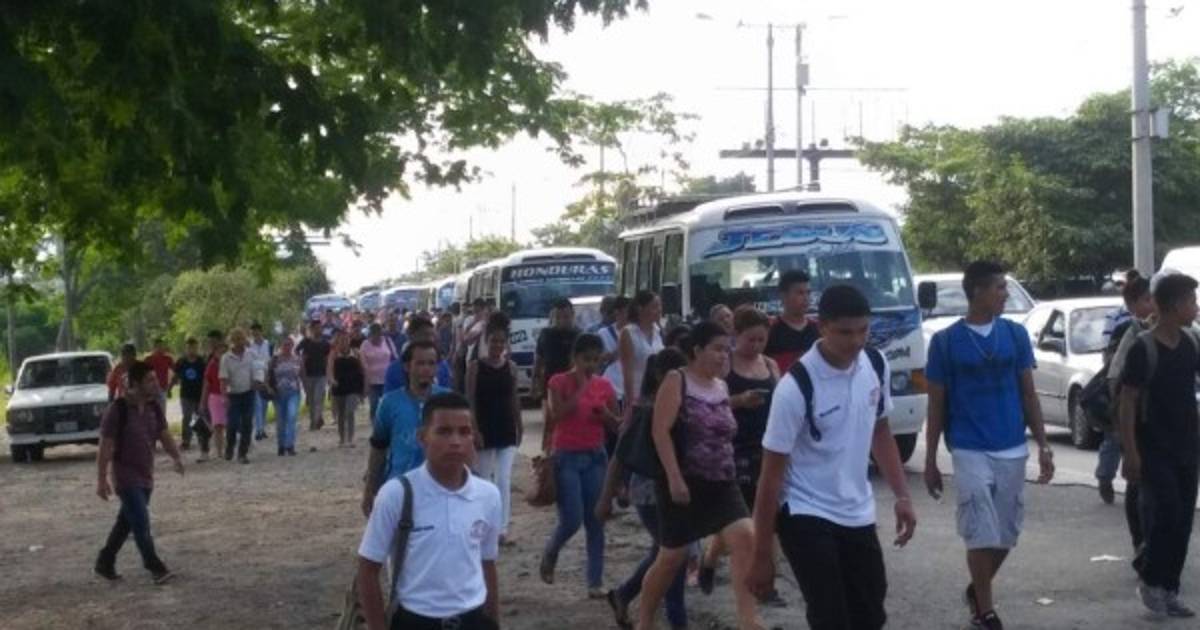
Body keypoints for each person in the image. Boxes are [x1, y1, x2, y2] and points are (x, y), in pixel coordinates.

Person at [747, 285, 918, 630]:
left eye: (863, 330)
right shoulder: (795, 387)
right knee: (831, 616)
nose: (856, 341)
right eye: (845, 332)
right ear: (822, 327)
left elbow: (880, 431)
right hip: (805, 510)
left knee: (870, 613)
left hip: (856, 510)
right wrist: (761, 555)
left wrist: (902, 496)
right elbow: (770, 476)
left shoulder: (875, 364)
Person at [924, 261, 1054, 630]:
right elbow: (936, 403)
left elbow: (1028, 393)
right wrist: (931, 460)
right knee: (979, 529)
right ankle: (985, 610)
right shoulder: (945, 342)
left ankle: (976, 589)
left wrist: (1044, 445)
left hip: (1012, 444)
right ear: (977, 292)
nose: (1005, 294)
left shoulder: (1014, 334)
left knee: (1006, 533)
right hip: (968, 447)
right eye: (999, 287)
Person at [636, 321, 760, 630]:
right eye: (717, 349)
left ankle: (749, 620)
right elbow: (660, 431)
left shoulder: (721, 386)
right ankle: (644, 620)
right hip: (684, 483)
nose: (723, 356)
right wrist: (674, 478)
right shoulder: (676, 380)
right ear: (696, 350)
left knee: (746, 536)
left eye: (727, 349)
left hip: (723, 482)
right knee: (671, 558)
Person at [356, 392, 501, 630]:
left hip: (473, 620)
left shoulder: (488, 495)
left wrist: (493, 621)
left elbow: (487, 564)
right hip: (415, 620)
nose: (455, 441)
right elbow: (368, 569)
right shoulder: (397, 495)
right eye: (444, 431)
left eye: (464, 432)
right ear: (422, 437)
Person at [1118, 272, 1200, 619]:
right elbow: (1127, 402)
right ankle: (1150, 578)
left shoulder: (1191, 343)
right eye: (1192, 301)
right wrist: (1131, 452)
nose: (1196, 307)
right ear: (1176, 305)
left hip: (1188, 447)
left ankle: (1169, 589)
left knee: (1183, 521)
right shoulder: (1144, 348)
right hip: (1154, 448)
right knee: (1166, 512)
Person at [598, 348, 690, 630]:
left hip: (676, 490)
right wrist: (606, 497)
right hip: (650, 492)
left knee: (665, 552)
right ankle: (677, 620)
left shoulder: (685, 403)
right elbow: (620, 456)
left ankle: (624, 594)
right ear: (662, 375)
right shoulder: (645, 409)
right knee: (674, 555)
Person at [698, 306, 781, 598]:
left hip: (767, 446)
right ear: (737, 335)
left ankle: (766, 582)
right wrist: (740, 400)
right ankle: (712, 558)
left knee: (768, 517)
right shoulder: (726, 365)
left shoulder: (770, 365)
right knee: (740, 517)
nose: (756, 346)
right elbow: (708, 403)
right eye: (750, 340)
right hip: (733, 447)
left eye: (761, 340)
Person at [539, 333, 619, 598]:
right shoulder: (558, 381)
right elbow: (558, 414)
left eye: (595, 360)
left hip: (595, 455)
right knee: (572, 518)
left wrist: (606, 415)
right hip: (567, 456)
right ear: (575, 358)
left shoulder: (605, 385)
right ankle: (551, 551)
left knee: (595, 520)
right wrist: (582, 388)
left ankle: (594, 582)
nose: (591, 365)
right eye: (586, 359)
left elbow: (616, 424)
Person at [94, 360, 184, 585]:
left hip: (146, 475)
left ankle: (105, 561)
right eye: (149, 380)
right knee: (141, 522)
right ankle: (155, 566)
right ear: (135, 384)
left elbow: (164, 435)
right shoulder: (118, 410)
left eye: (155, 379)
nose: (156, 384)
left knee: (126, 521)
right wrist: (101, 479)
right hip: (125, 476)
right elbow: (105, 446)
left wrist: (176, 457)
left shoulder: (154, 407)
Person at [362, 340, 449, 516]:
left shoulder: (448, 401)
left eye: (431, 363)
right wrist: (370, 488)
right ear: (407, 366)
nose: (426, 369)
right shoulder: (389, 403)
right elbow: (378, 447)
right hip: (399, 488)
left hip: (440, 489)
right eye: (420, 363)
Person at [1096, 271, 1154, 506]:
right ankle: (1105, 477)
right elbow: (1113, 365)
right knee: (1114, 440)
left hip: (1147, 405)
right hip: (1124, 394)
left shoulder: (1162, 327)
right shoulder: (1125, 327)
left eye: (1153, 299)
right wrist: (1119, 401)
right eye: (1147, 300)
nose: (1152, 305)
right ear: (1131, 303)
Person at [467, 312, 523, 545]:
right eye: (493, 341)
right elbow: (470, 400)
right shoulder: (475, 367)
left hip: (506, 426)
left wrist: (519, 424)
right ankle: (485, 526)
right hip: (485, 427)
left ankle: (502, 528)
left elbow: (514, 398)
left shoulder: (511, 367)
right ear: (486, 341)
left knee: (503, 479)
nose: (497, 345)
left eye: (501, 341)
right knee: (484, 480)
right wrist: (474, 429)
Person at [619, 290, 664, 420]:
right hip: (637, 391)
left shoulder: (658, 331)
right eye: (654, 306)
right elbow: (627, 370)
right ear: (640, 308)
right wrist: (630, 401)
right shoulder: (628, 333)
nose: (659, 310)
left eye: (660, 306)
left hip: (657, 391)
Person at [764, 270, 819, 372]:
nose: (806, 298)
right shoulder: (769, 331)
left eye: (808, 293)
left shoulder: (819, 330)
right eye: (800, 293)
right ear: (783, 296)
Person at [220, 328, 261, 464]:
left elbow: (258, 369)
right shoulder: (226, 358)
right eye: (236, 339)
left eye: (241, 339)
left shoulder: (251, 354)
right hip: (233, 395)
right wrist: (224, 396)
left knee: (247, 424)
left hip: (249, 393)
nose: (239, 342)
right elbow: (223, 379)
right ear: (232, 341)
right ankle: (230, 447)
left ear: (245, 339)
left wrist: (257, 380)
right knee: (232, 423)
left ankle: (242, 453)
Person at [384, 316, 452, 393]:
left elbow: (447, 395)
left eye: (433, 335)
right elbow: (390, 398)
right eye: (426, 335)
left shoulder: (442, 366)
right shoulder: (395, 369)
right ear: (411, 336)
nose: (430, 339)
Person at [533, 298, 580, 401]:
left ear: (573, 315)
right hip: (550, 385)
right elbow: (538, 360)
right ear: (552, 317)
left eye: (566, 317)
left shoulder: (579, 335)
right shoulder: (546, 334)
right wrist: (535, 382)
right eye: (557, 317)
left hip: (573, 386)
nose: (562, 321)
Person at [328, 330, 368, 448]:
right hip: (339, 387)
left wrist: (365, 386)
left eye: (346, 340)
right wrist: (332, 380)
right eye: (341, 340)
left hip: (353, 386)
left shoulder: (356, 352)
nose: (344, 342)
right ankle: (342, 438)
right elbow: (329, 369)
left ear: (349, 340)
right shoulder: (334, 354)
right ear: (337, 342)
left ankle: (350, 438)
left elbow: (364, 369)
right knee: (341, 414)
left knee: (350, 412)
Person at [267, 335, 304, 456]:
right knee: (281, 421)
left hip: (294, 392)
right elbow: (267, 377)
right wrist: (269, 388)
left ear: (292, 346)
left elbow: (302, 375)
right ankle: (281, 445)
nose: (287, 347)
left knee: (292, 417)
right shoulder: (274, 360)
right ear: (281, 346)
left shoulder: (297, 359)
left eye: (289, 345)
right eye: (285, 345)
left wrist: (306, 391)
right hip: (279, 394)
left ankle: (290, 445)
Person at [169, 338, 206, 452]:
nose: (192, 350)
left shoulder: (201, 362)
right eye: (189, 347)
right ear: (186, 348)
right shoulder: (181, 361)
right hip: (185, 394)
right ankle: (186, 440)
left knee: (199, 417)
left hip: (198, 394)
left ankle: (201, 438)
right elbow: (175, 376)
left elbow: (206, 378)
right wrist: (169, 388)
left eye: (194, 347)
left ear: (197, 348)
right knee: (187, 417)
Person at [297, 321, 332, 431]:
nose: (319, 330)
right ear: (312, 329)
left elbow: (328, 359)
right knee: (311, 400)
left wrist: (329, 373)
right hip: (308, 374)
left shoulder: (325, 343)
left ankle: (314, 422)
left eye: (320, 328)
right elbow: (296, 351)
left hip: (321, 374)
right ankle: (316, 418)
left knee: (318, 398)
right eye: (316, 328)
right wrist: (301, 362)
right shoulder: (306, 342)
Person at [360, 323, 399, 422]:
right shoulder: (365, 345)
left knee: (388, 405)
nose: (376, 338)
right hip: (372, 381)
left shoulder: (388, 341)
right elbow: (364, 365)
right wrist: (366, 384)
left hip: (387, 379)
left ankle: (387, 423)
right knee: (374, 405)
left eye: (378, 334)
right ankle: (374, 424)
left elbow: (395, 357)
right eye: (373, 335)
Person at [200, 333, 227, 462]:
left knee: (229, 424)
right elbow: (206, 384)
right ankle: (220, 452)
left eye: (224, 352)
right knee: (218, 426)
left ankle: (228, 448)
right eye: (219, 352)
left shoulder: (230, 363)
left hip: (229, 396)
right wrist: (202, 402)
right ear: (215, 353)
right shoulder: (212, 365)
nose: (221, 354)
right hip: (215, 397)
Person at [248, 322, 273, 441]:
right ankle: (259, 430)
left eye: (257, 331)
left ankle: (262, 427)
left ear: (261, 331)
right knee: (257, 403)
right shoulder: (249, 346)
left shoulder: (268, 344)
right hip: (255, 376)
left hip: (266, 375)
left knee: (264, 403)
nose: (255, 333)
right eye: (253, 331)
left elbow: (270, 361)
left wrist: (268, 378)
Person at [144, 338, 174, 408]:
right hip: (151, 389)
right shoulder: (148, 359)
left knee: (162, 410)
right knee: (151, 409)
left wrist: (170, 387)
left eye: (162, 346)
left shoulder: (168, 359)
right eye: (158, 346)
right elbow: (143, 374)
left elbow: (174, 372)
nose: (160, 348)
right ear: (154, 347)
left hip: (163, 388)